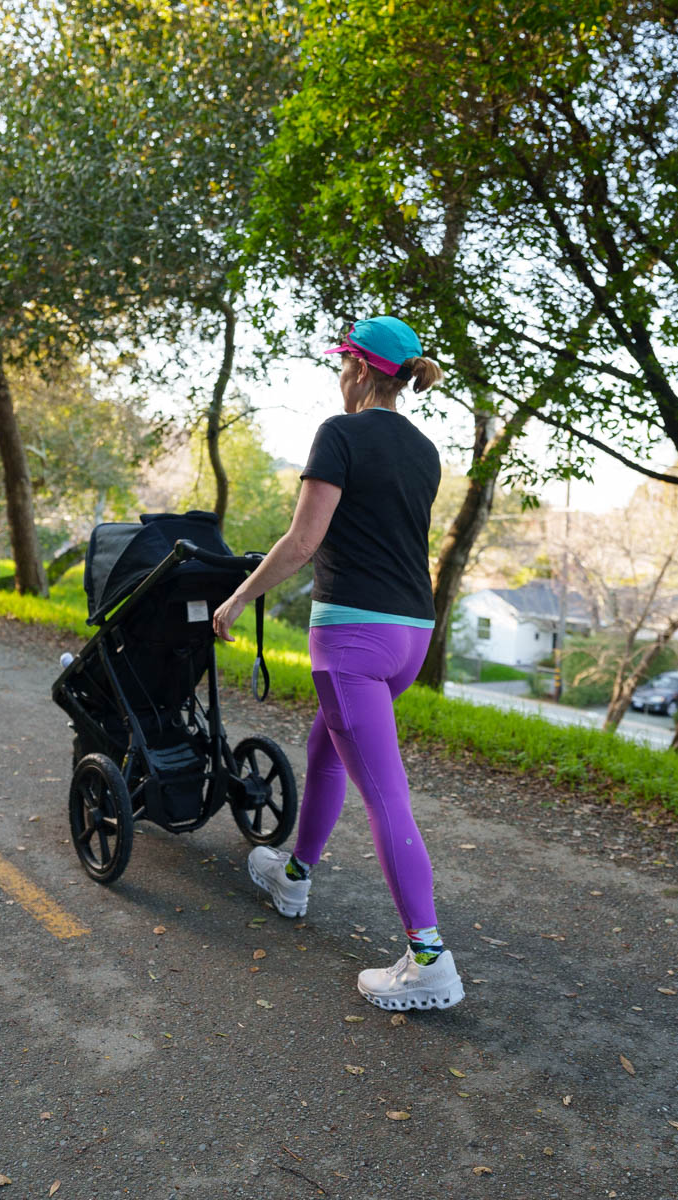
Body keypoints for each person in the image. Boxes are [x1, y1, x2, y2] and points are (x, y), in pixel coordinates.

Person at [212, 316, 464, 1013]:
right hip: (410, 634)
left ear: (357, 368)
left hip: (351, 636)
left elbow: (301, 543)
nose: (337, 373)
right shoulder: (423, 450)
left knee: (385, 794)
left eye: (340, 362)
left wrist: (236, 599)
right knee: (326, 747)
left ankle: (429, 960)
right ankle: (293, 877)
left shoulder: (339, 433)